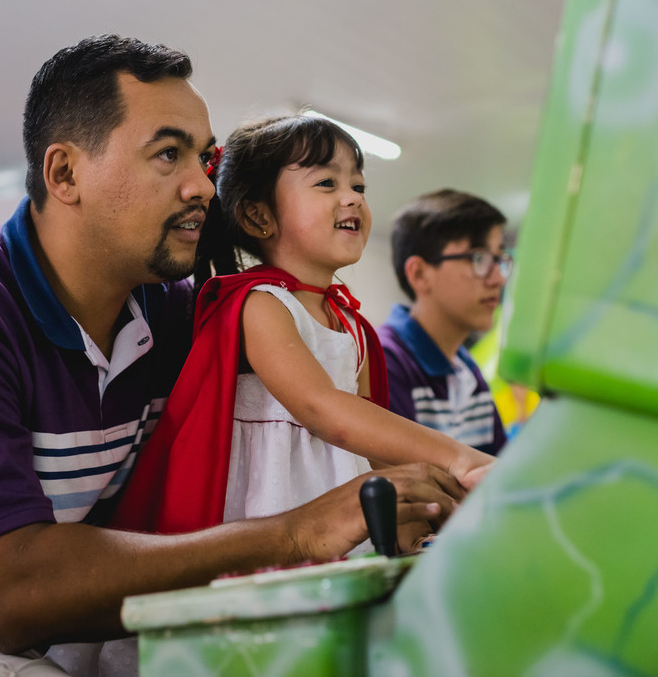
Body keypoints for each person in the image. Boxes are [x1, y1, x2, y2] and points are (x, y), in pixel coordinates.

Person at [0, 35, 463, 677]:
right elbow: (10, 596)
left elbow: (316, 412)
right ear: (65, 171)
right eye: (169, 154)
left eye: (204, 158)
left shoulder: (176, 314)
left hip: (83, 614)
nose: (201, 185)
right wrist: (293, 534)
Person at [113, 115, 493, 538]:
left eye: (359, 186)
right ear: (259, 217)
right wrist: (460, 458)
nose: (351, 198)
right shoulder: (261, 305)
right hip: (270, 518)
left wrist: (428, 512)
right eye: (327, 184)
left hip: (342, 519)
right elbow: (324, 411)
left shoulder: (353, 324)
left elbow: (373, 446)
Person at [379, 189, 511, 456]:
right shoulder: (384, 362)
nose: (498, 279)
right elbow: (408, 486)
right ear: (419, 274)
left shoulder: (466, 370)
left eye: (498, 260)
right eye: (479, 258)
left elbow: (500, 473)